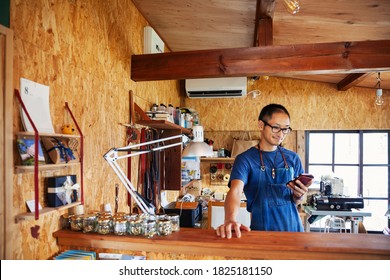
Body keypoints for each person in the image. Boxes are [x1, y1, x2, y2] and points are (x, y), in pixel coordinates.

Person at [216, 103, 313, 238]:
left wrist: (298, 195)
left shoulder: (293, 158)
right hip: (261, 234)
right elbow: (236, 191)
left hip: (294, 232)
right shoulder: (245, 159)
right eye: (276, 128)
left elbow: (295, 202)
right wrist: (230, 219)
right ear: (261, 125)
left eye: (285, 129)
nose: (281, 134)